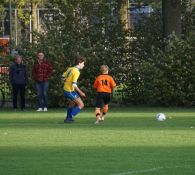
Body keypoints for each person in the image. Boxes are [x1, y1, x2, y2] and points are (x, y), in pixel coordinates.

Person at [62, 56, 86, 123]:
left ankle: (68, 118)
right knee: (81, 105)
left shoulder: (70, 68)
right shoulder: (77, 71)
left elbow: (63, 77)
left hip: (67, 89)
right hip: (69, 91)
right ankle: (70, 116)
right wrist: (81, 93)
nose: (83, 65)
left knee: (71, 104)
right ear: (79, 63)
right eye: (83, 64)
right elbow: (74, 84)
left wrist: (66, 82)